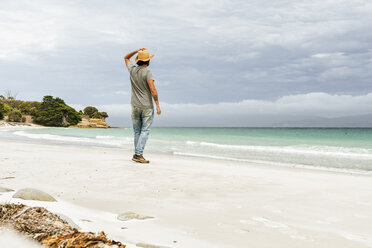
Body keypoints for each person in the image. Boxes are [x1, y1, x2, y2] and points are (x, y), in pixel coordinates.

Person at [124, 48, 161, 163]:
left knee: (137, 131)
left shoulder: (132, 69)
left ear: (138, 60)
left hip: (134, 105)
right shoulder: (148, 72)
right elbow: (153, 89)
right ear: (148, 61)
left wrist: (136, 51)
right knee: (145, 130)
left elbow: (126, 57)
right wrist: (157, 104)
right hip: (146, 106)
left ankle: (137, 154)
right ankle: (138, 154)